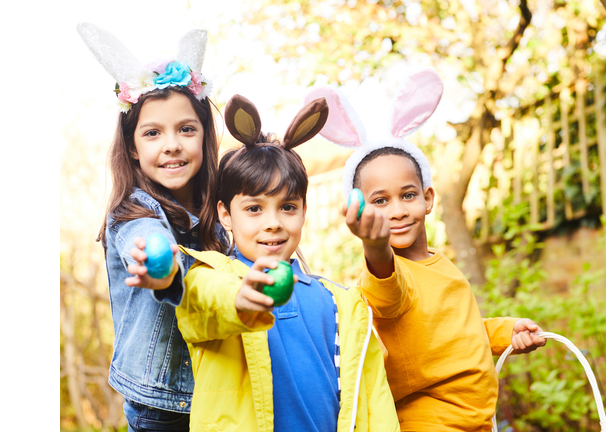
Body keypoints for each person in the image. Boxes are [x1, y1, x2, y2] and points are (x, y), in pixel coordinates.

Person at [306, 69, 547, 432]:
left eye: (407, 195)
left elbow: (454, 332)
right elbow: (386, 290)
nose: (398, 210)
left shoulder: (440, 263)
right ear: (362, 208)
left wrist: (506, 333)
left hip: (477, 422)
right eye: (380, 201)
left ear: (428, 198)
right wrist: (374, 244)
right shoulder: (387, 274)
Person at [174, 94, 399, 432]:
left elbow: (375, 407)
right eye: (254, 209)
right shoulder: (209, 277)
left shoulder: (341, 303)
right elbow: (203, 305)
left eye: (288, 207)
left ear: (304, 212)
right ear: (225, 214)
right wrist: (240, 299)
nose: (273, 222)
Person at [78, 23, 223, 431]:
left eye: (186, 129)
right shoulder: (132, 212)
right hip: (159, 408)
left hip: (216, 393)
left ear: (204, 135)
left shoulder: (219, 216)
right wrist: (159, 264)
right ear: (133, 148)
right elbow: (146, 239)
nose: (171, 144)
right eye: (153, 133)